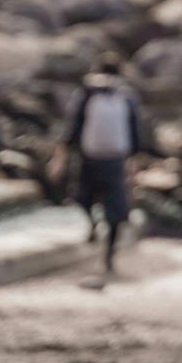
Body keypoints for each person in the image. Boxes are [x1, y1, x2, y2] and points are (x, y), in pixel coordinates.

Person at [50, 53, 141, 276]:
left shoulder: (87, 93)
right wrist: (134, 164)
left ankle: (92, 225)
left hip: (89, 158)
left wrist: (59, 158)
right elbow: (135, 133)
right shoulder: (125, 95)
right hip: (115, 161)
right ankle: (109, 255)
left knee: (82, 198)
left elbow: (72, 128)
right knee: (116, 211)